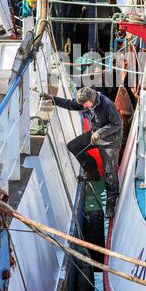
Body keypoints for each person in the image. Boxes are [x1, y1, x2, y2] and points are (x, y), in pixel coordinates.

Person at [42, 87, 123, 219]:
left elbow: (117, 124)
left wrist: (99, 133)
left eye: (85, 104)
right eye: (82, 105)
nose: (84, 107)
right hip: (95, 135)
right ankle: (92, 172)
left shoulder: (107, 105)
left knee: (110, 172)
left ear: (91, 99)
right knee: (74, 146)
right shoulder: (84, 103)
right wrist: (52, 99)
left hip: (110, 141)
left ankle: (111, 203)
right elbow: (70, 104)